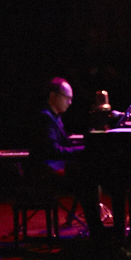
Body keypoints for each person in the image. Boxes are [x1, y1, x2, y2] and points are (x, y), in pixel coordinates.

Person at [28, 77, 105, 246]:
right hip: (45, 173)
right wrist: (84, 150)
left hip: (53, 168)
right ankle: (97, 231)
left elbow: (63, 145)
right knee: (88, 180)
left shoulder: (55, 117)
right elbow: (53, 151)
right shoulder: (45, 118)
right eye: (67, 98)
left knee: (89, 178)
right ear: (53, 96)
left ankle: (97, 229)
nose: (70, 102)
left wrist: (84, 145)